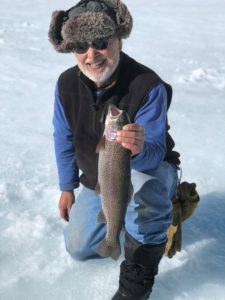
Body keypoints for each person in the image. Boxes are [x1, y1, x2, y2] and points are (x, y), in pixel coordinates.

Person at [48, 1, 180, 299]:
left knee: (146, 192)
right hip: (101, 180)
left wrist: (139, 147)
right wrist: (67, 186)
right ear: (71, 49)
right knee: (79, 248)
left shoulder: (147, 84)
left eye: (100, 42)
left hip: (150, 169)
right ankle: (122, 225)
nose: (91, 54)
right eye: (80, 45)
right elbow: (63, 137)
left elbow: (156, 152)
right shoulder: (66, 84)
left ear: (118, 39)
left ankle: (139, 276)